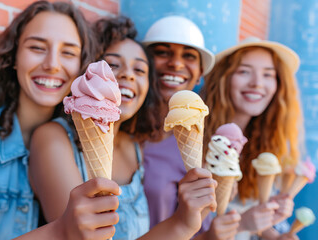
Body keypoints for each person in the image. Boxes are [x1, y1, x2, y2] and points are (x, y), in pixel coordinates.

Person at [28, 16, 217, 240]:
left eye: (139, 70)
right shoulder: (52, 138)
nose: (127, 74)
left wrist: (185, 220)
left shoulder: (135, 146)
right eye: (113, 65)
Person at [0, 1, 98, 239]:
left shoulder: (83, 144)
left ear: (81, 68)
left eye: (68, 52)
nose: (52, 65)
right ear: (13, 55)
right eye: (37, 47)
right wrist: (61, 229)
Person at [141, 15, 241, 240]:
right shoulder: (126, 134)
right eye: (163, 52)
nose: (176, 64)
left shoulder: (211, 144)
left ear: (199, 75)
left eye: (188, 56)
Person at [201, 37, 302, 240]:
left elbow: (255, 224)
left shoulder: (267, 143)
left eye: (268, 74)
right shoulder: (198, 140)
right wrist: (243, 223)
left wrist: (273, 234)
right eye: (244, 71)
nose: (257, 83)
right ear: (224, 78)